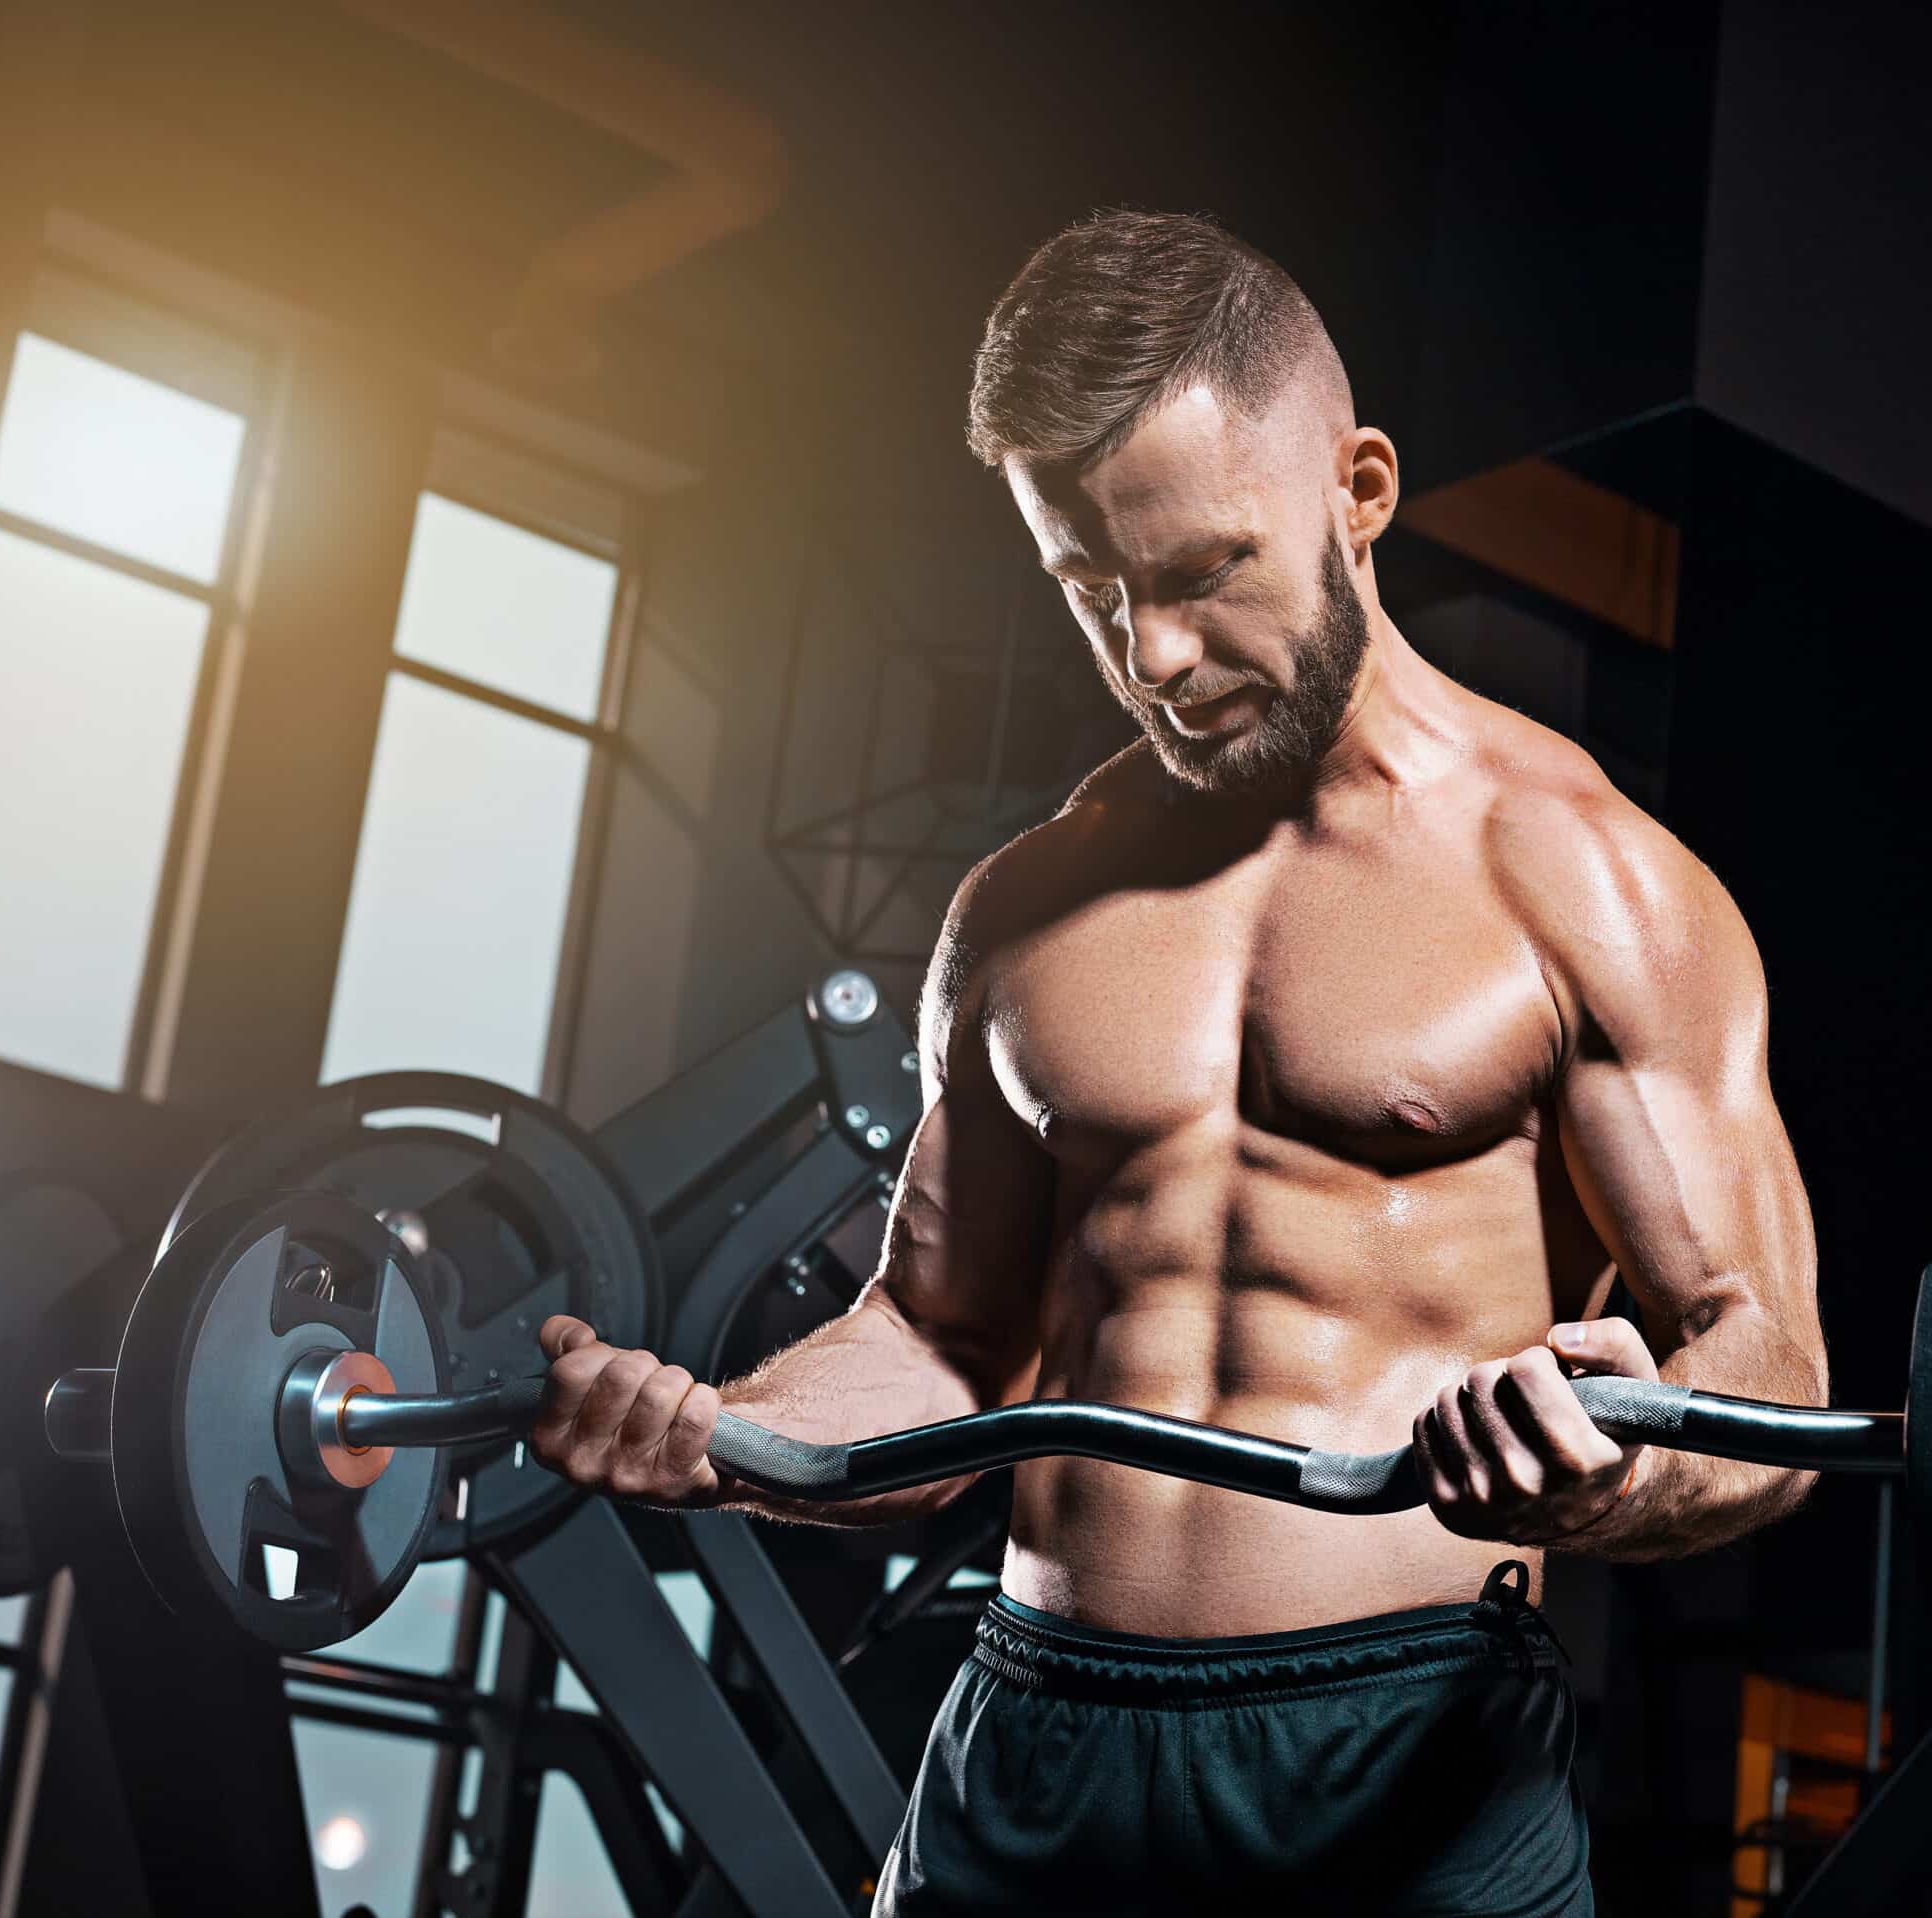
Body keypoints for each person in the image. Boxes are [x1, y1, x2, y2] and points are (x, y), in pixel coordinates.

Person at [530, 209, 1827, 1916]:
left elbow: (1777, 1375)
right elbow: (936, 1342)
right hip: (1036, 1739)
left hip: (1407, 1760)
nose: (1151, 656)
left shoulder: (1581, 879)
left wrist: (1623, 1462)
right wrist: (718, 1433)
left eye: (1206, 571)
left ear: (1358, 493)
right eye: (1095, 592)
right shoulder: (1030, 905)